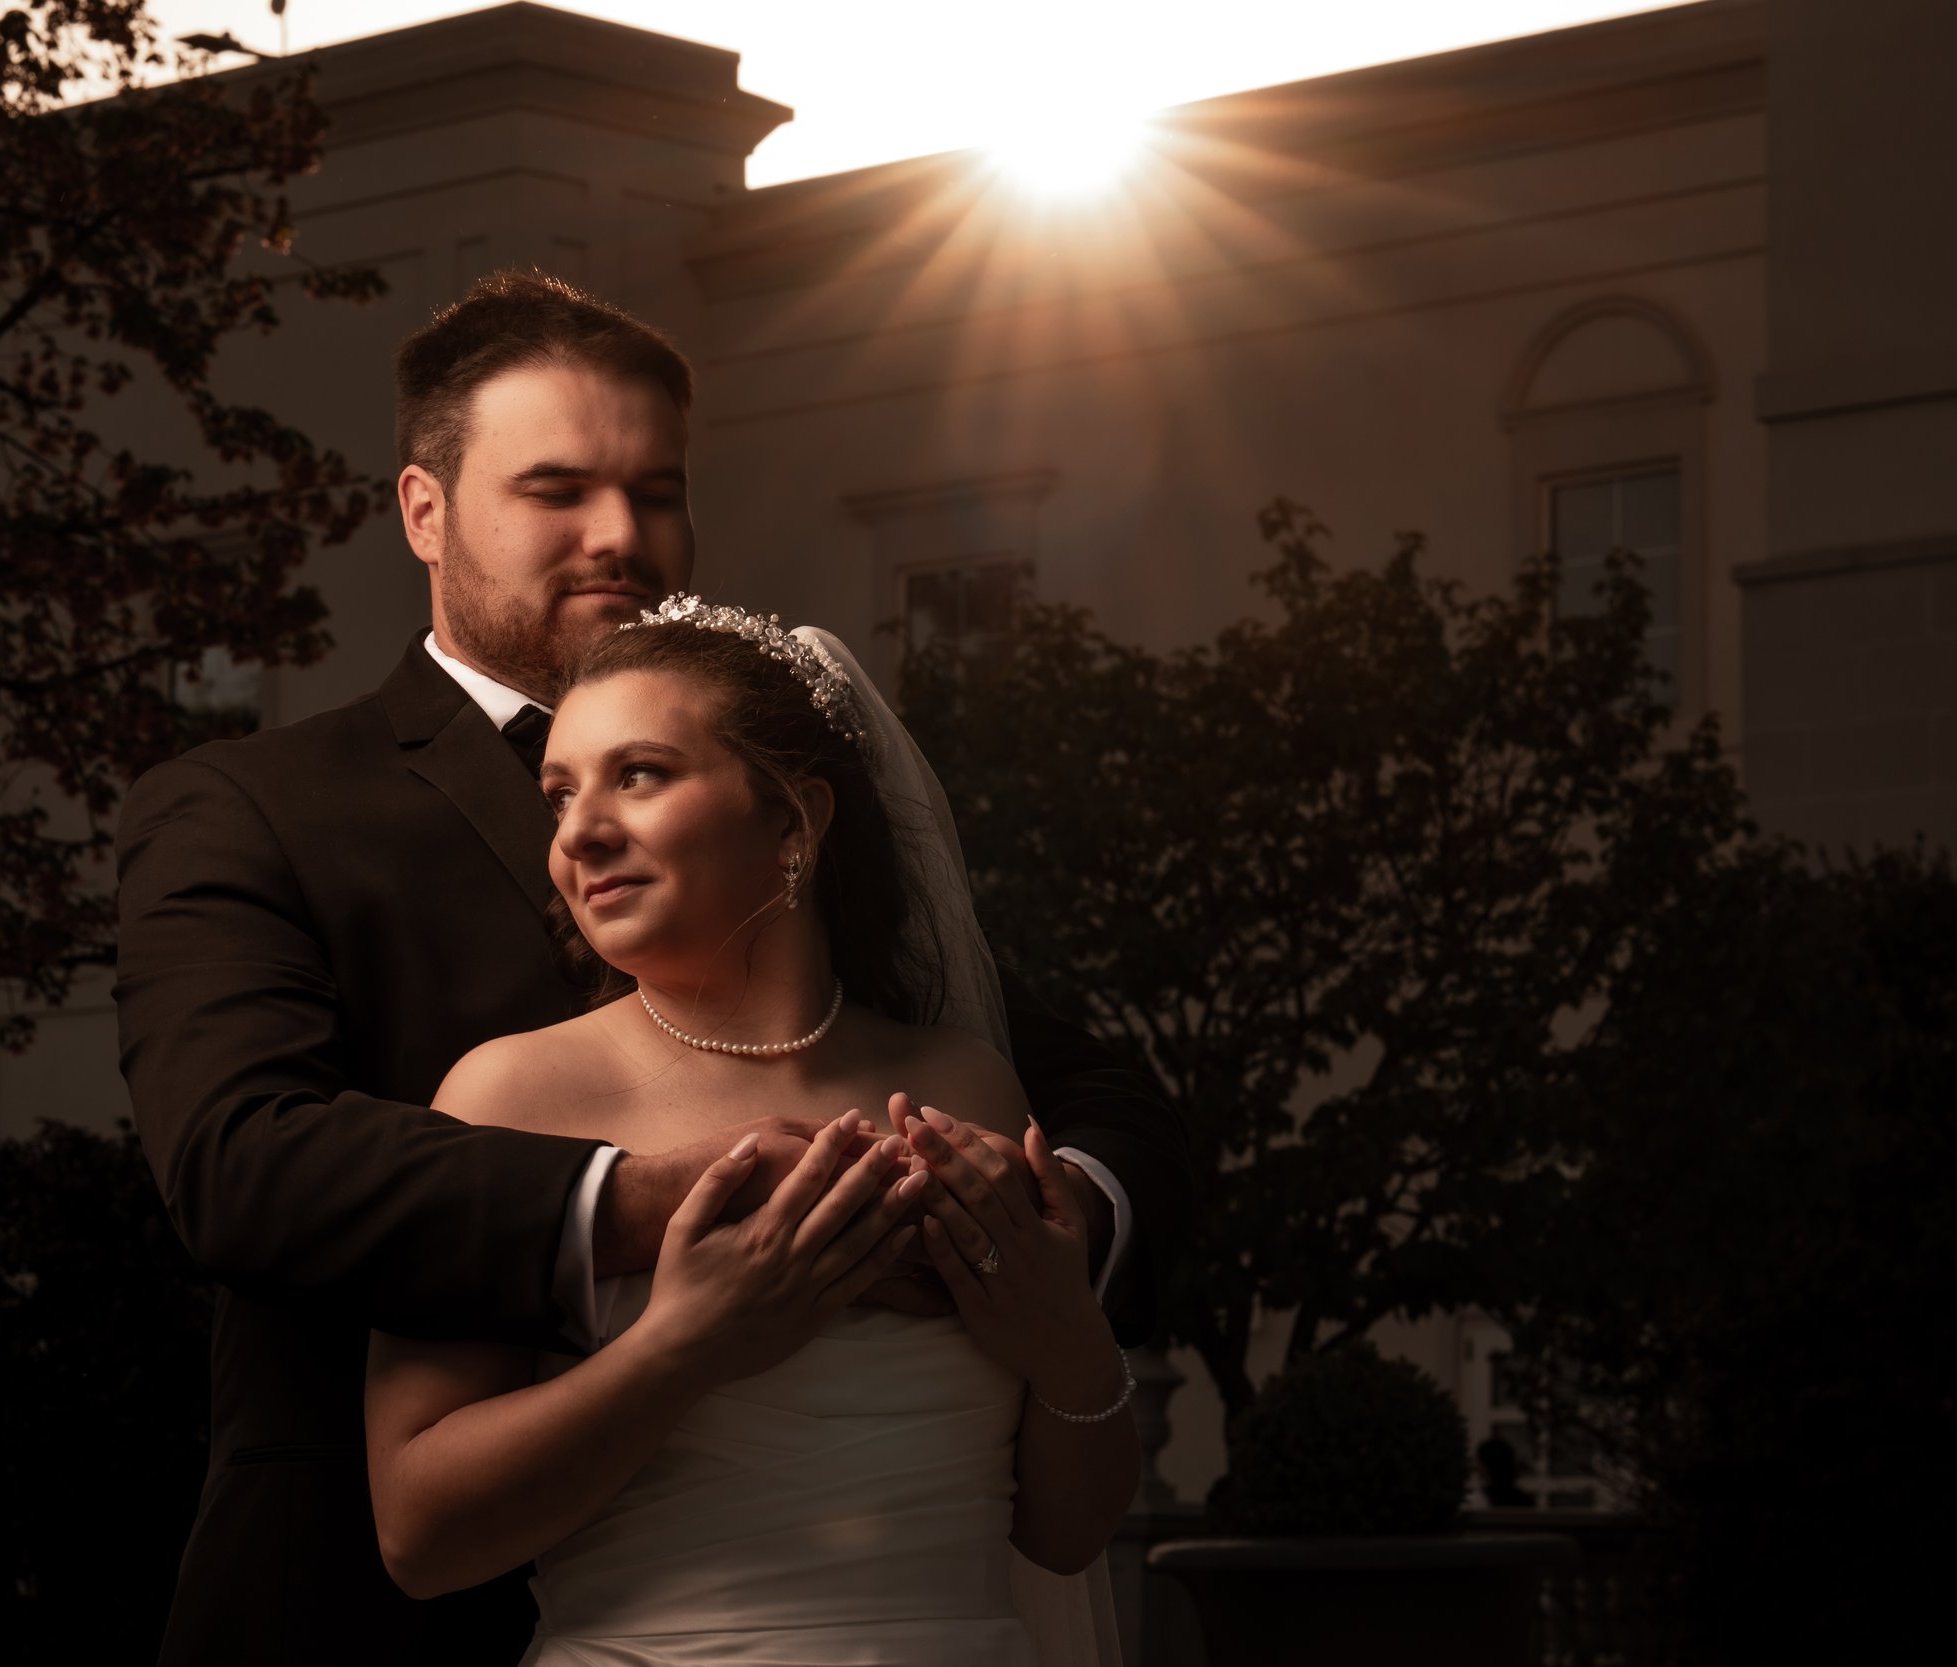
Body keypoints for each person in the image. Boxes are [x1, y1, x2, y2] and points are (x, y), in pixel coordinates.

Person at [113, 272, 1188, 1664]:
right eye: (557, 487)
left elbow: (1096, 1097)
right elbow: (240, 1157)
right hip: (361, 1614)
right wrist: (671, 1200)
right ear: (423, 509)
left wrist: (1040, 1237)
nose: (620, 533)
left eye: (656, 489)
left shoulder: (848, 904)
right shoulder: (252, 802)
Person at [367, 603, 1138, 1663]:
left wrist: (1071, 1344)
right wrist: (687, 1343)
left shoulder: (962, 1081)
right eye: (559, 793)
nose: (578, 830)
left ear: (793, 822)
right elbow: (420, 1535)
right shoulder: (509, 1094)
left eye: (637, 773)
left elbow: (1064, 1533)